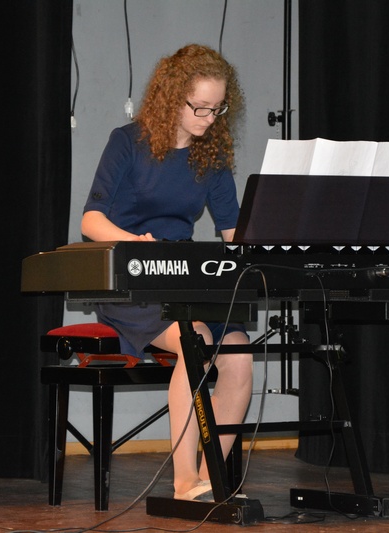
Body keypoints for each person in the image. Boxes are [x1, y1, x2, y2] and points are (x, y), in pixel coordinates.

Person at [80, 44, 252, 502]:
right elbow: (91, 220)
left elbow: (233, 231)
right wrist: (134, 243)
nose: (209, 118)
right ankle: (184, 482)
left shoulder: (211, 156)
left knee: (239, 355)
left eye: (218, 109)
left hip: (183, 278)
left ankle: (212, 478)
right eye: (200, 107)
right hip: (130, 281)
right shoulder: (128, 142)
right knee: (196, 340)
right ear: (172, 97)